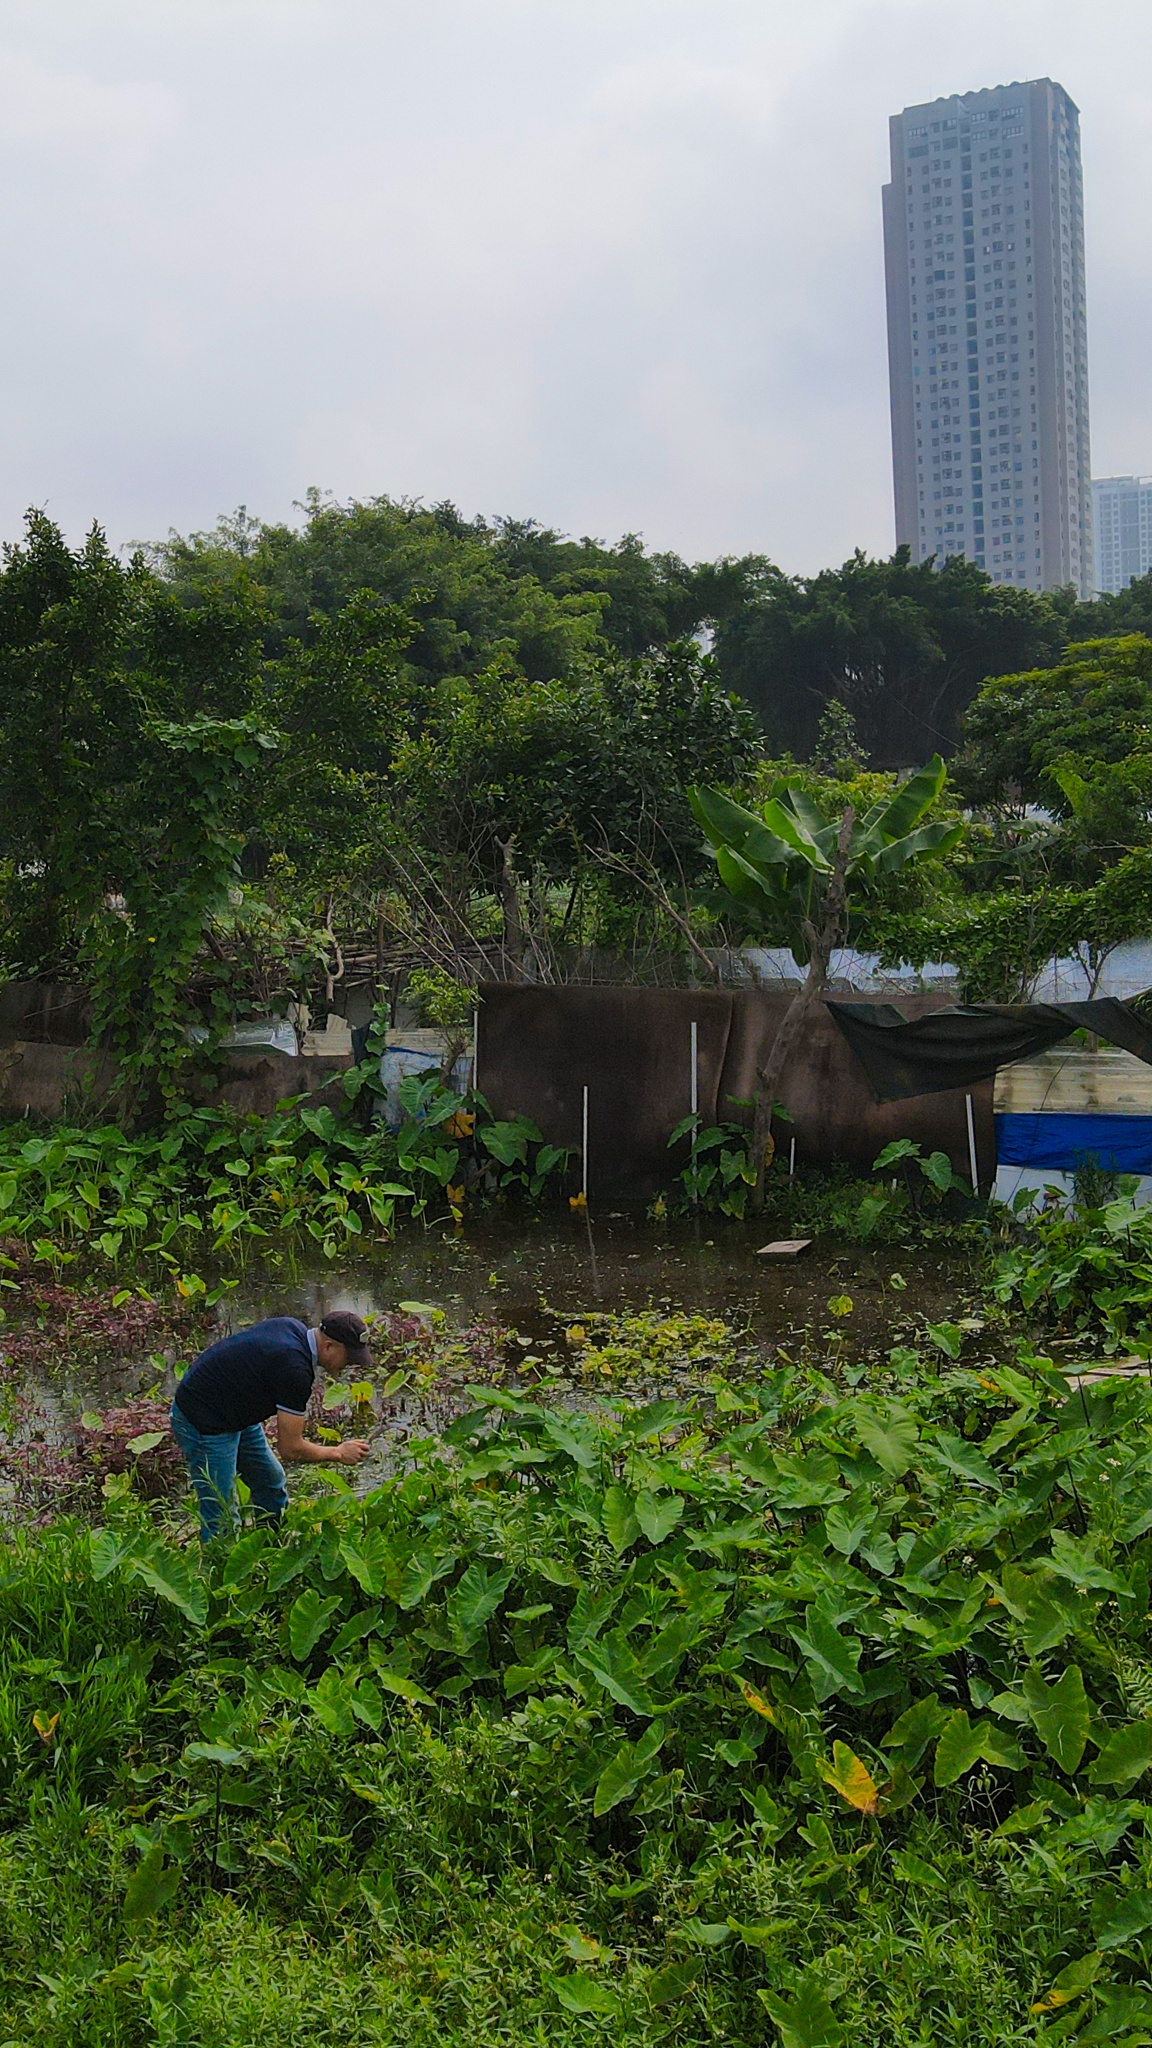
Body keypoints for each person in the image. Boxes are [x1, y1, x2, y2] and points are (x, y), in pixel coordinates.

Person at [169, 1310, 372, 1541]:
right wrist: (338, 1453)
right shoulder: (295, 1370)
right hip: (204, 1419)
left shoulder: (292, 1326)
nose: (350, 1365)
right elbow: (290, 1449)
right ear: (328, 1346)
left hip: (234, 1408)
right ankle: (219, 1563)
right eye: (349, 1357)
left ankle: (271, 1545)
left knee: (270, 1483)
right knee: (222, 1515)